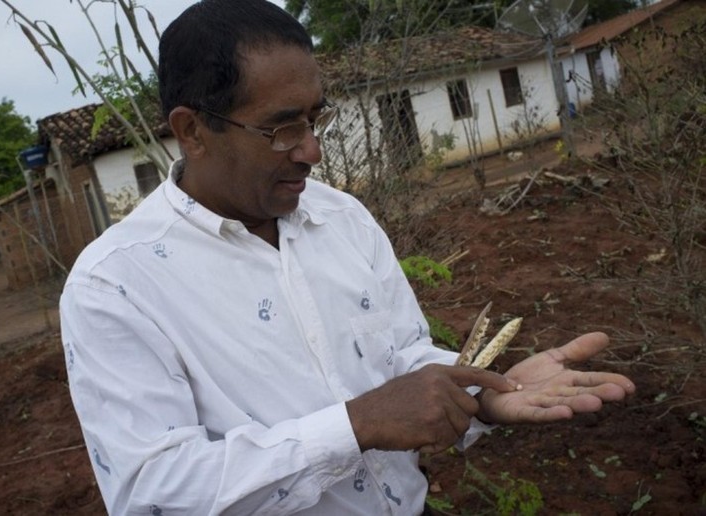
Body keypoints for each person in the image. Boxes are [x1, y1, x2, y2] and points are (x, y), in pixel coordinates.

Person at [59, 1, 635, 514]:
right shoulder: (114, 285)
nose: (311, 149)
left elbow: (401, 355)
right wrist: (357, 425)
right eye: (282, 128)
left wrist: (486, 394)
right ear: (192, 130)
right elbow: (153, 492)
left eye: (315, 118)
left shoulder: (340, 217)